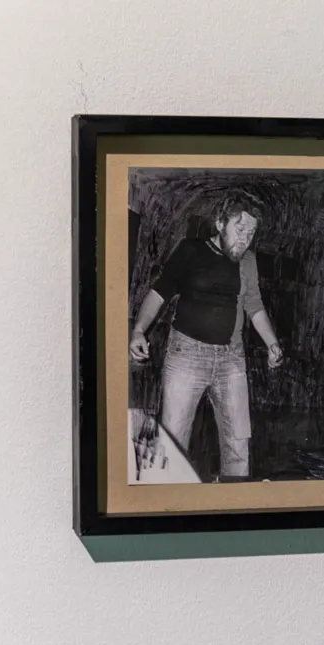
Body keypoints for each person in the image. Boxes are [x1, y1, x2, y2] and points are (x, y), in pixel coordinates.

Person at [129, 192, 283, 481]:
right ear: (220, 223)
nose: (245, 239)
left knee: (239, 442)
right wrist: (138, 330)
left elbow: (254, 305)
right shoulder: (191, 250)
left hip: (231, 360)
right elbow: (160, 291)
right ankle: (170, 502)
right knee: (172, 443)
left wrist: (272, 343)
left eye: (251, 233)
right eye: (240, 229)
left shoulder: (248, 262)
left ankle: (233, 502)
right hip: (186, 356)